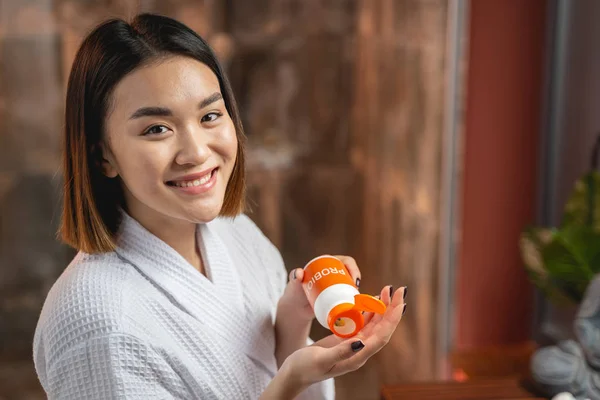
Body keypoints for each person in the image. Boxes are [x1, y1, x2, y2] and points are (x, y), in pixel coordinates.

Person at [32, 13, 407, 399]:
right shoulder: (97, 324)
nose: (196, 152)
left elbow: (269, 365)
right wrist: (289, 382)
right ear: (102, 157)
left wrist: (293, 321)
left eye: (210, 115)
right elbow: (280, 382)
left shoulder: (236, 233)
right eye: (156, 129)